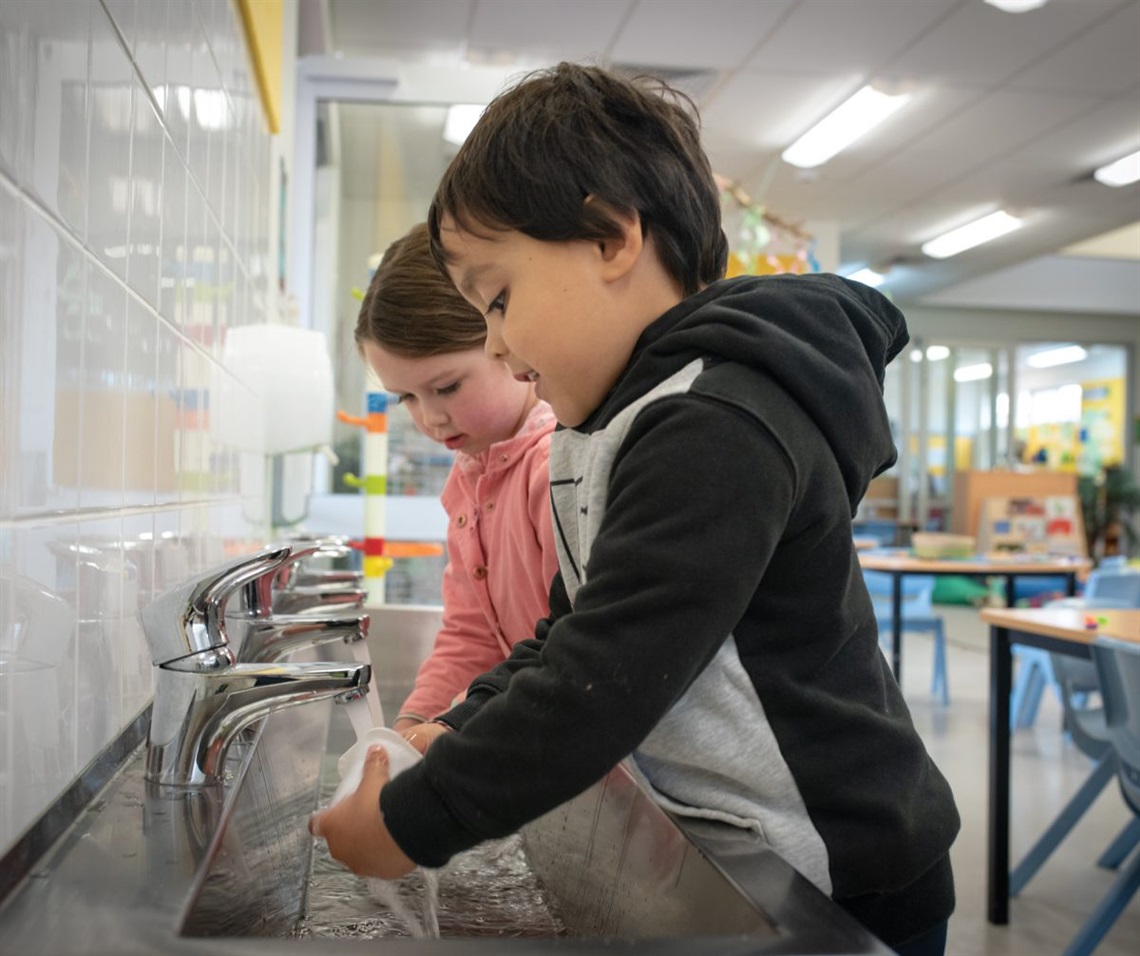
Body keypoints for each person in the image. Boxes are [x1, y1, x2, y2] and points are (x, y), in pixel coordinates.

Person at [312, 63, 960, 956]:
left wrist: (421, 817)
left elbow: (608, 675)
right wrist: (456, 725)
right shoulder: (612, 422)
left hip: (843, 871)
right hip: (741, 839)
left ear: (613, 238)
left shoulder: (713, 422)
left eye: (499, 299)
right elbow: (573, 628)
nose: (497, 340)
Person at [353, 223, 558, 734]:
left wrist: (443, 735)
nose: (429, 418)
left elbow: (571, 649)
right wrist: (409, 731)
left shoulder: (553, 468)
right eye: (407, 398)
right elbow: (473, 637)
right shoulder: (472, 479)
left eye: (446, 387)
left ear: (505, 339)